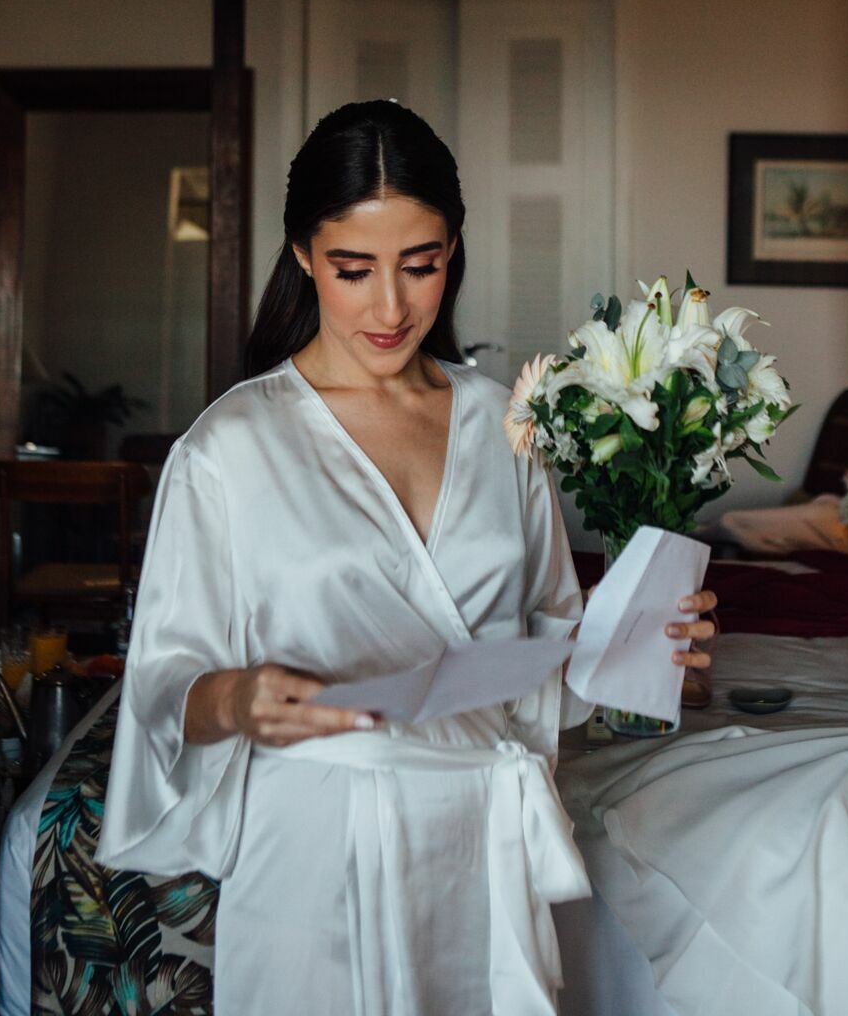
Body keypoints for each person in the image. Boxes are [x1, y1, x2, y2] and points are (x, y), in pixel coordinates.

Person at [96, 99, 717, 1015]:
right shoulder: (228, 448)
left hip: (481, 847)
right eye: (354, 269)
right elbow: (161, 689)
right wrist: (240, 697)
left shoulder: (505, 422)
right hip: (314, 856)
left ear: (452, 252)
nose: (390, 307)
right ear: (304, 254)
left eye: (420, 266)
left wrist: (652, 657)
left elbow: (551, 658)